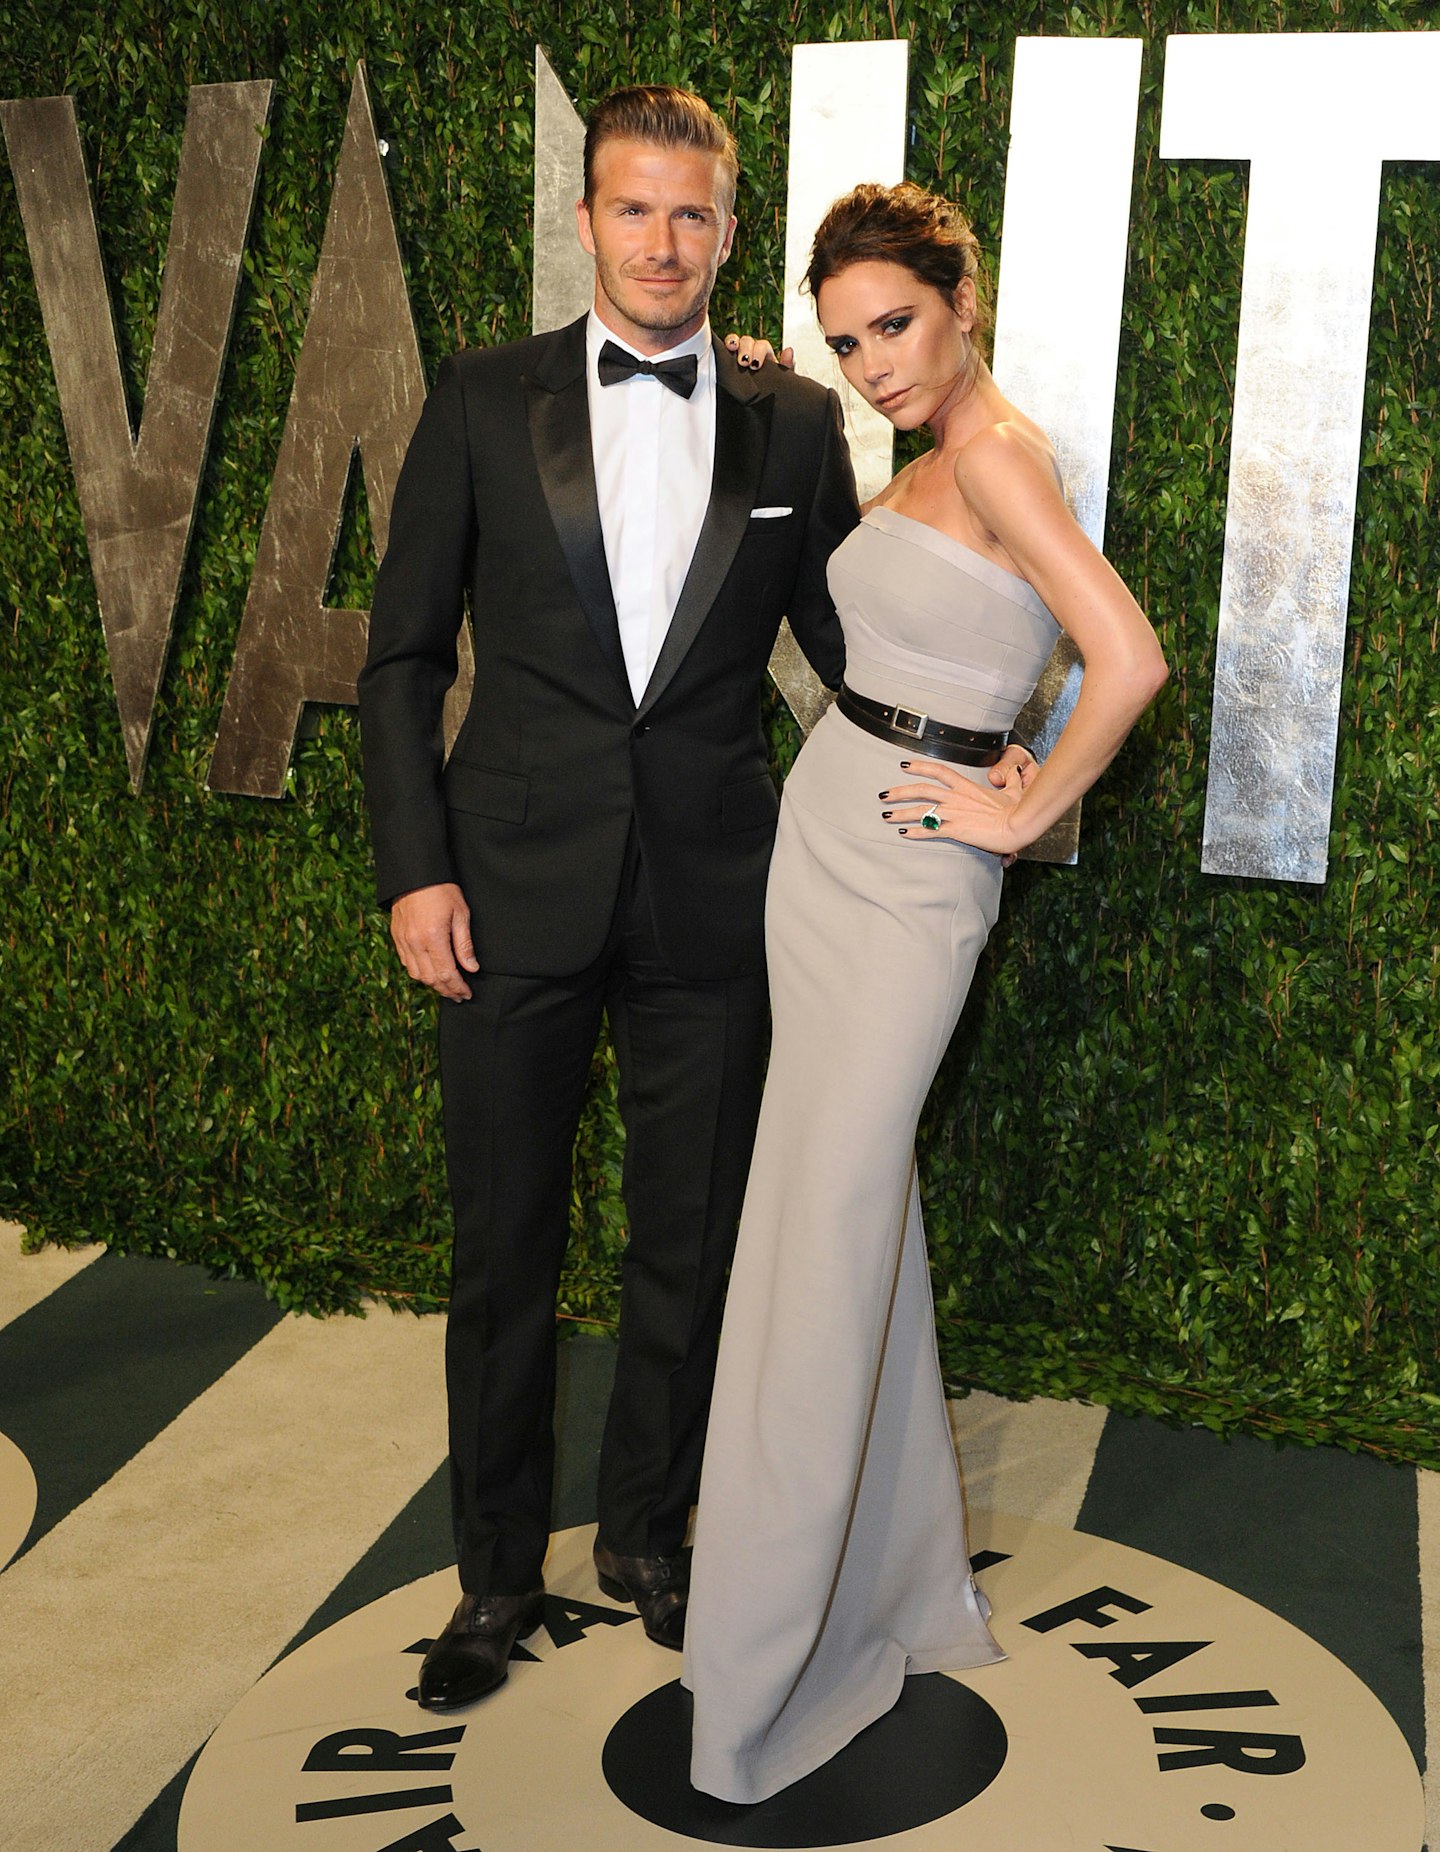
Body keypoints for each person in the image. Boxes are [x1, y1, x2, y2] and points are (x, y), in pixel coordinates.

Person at [356, 85, 864, 1711]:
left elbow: (856, 662)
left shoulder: (796, 428)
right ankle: (495, 1577)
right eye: (633, 209)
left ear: (730, 230)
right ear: (585, 221)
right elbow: (402, 662)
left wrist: (973, 767)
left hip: (717, 901)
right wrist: (416, 868)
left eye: (693, 214)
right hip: (502, 893)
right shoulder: (483, 400)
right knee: (503, 1251)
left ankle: (651, 1536)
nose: (662, 242)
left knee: (689, 1242)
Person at [684, 181, 1168, 1804]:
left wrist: (1019, 811)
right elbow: (895, 641)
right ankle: (880, 1587)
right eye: (847, 339)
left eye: (894, 325)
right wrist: (781, 390)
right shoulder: (918, 456)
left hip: (911, 873)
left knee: (813, 1241)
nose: (876, 362)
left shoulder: (1001, 457)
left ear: (965, 300)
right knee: (852, 1224)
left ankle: (767, 1669)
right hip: (830, 840)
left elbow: (1130, 653)